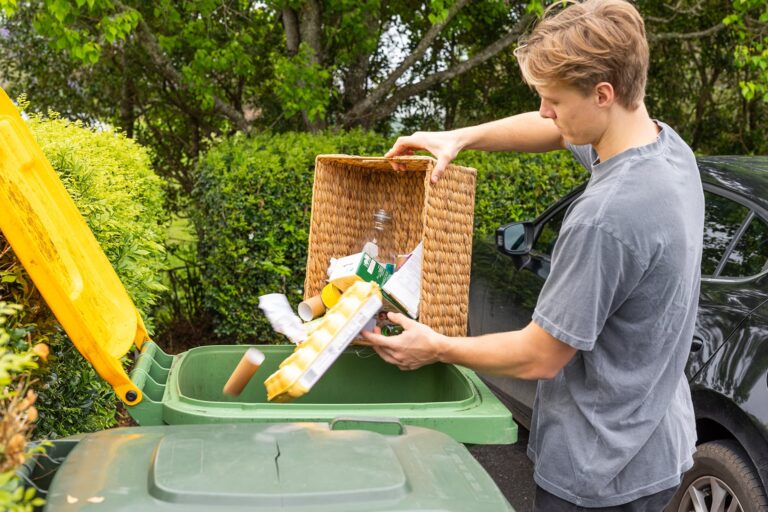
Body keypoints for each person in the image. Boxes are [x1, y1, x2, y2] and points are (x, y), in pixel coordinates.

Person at [362, 0, 703, 510]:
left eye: (554, 100)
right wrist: (462, 137)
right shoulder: (666, 149)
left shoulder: (605, 218)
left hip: (598, 472)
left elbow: (541, 355)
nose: (545, 112)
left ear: (603, 94)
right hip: (655, 445)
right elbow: (552, 130)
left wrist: (436, 347)